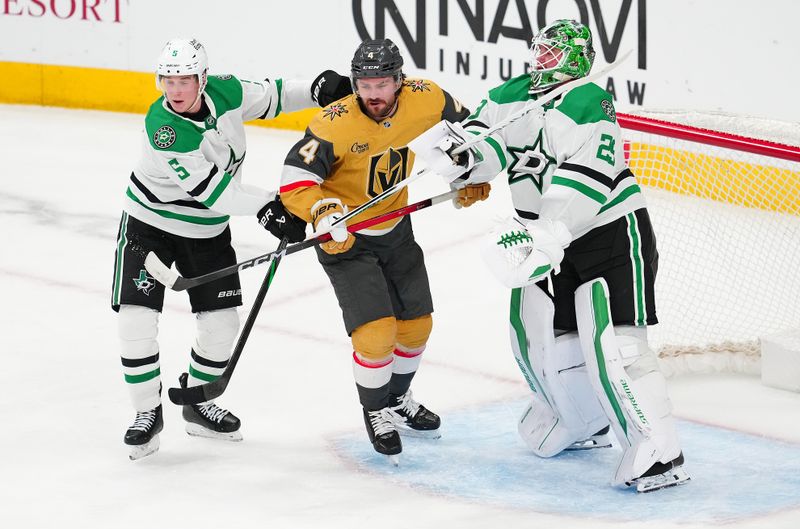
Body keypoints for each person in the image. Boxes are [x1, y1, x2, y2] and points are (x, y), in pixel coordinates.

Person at [414, 20, 689, 491]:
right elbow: (488, 138)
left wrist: (552, 229)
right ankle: (580, 418)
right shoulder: (511, 94)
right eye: (539, 50)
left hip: (609, 233)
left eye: (552, 53)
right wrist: (461, 158)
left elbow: (590, 173)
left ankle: (661, 452)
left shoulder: (588, 100)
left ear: (575, 58)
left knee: (617, 344)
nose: (540, 59)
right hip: (544, 234)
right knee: (541, 332)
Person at [111, 37, 350, 460]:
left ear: (202, 78)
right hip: (149, 226)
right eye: (167, 80)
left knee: (221, 324)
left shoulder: (226, 91)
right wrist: (271, 206)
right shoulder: (165, 129)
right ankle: (147, 412)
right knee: (136, 320)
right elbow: (215, 193)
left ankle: (198, 401)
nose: (175, 90)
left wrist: (313, 87)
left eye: (184, 79)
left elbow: (273, 96)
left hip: (206, 231)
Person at [276, 38, 489, 461]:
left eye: (381, 84)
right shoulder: (333, 123)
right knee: (376, 335)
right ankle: (376, 412)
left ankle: (395, 397)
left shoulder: (428, 98)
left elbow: (474, 133)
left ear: (399, 81)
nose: (372, 94)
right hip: (347, 238)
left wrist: (469, 174)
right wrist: (321, 210)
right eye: (364, 85)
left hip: (396, 228)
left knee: (417, 326)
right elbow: (293, 178)